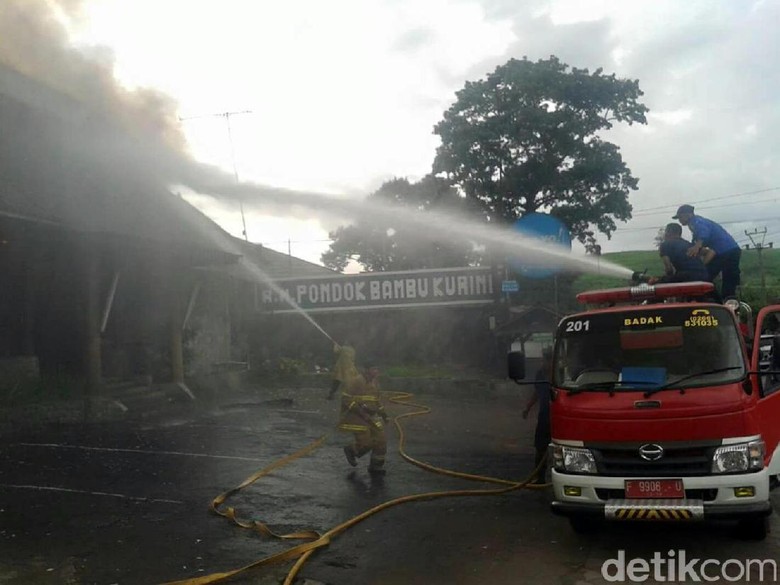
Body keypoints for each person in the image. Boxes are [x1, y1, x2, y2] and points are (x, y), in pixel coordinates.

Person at [673, 204, 742, 299]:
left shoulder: (697, 221)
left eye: (680, 217)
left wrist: (697, 246)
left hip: (726, 251)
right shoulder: (694, 224)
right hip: (725, 251)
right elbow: (697, 241)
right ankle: (723, 300)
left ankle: (722, 302)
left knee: (708, 276)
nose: (679, 220)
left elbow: (704, 233)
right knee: (722, 277)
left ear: (689, 215)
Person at [338, 365, 389, 475]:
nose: (376, 371)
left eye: (377, 369)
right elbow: (346, 399)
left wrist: (384, 415)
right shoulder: (355, 381)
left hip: (371, 416)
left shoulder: (375, 383)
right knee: (366, 442)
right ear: (366, 370)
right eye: (374, 368)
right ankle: (352, 450)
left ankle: (376, 466)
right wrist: (361, 412)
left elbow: (377, 400)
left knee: (381, 440)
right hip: (356, 417)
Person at [648, 223, 714, 285]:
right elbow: (710, 252)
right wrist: (702, 265)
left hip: (686, 277)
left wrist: (666, 279)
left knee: (653, 283)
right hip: (705, 276)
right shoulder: (689, 244)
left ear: (668, 233)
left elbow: (669, 270)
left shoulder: (665, 245)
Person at [522, 350, 552, 484]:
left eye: (545, 360)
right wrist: (528, 408)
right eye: (543, 360)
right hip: (544, 416)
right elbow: (537, 392)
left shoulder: (562, 373)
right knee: (540, 447)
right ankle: (539, 477)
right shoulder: (540, 373)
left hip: (559, 416)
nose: (543, 363)